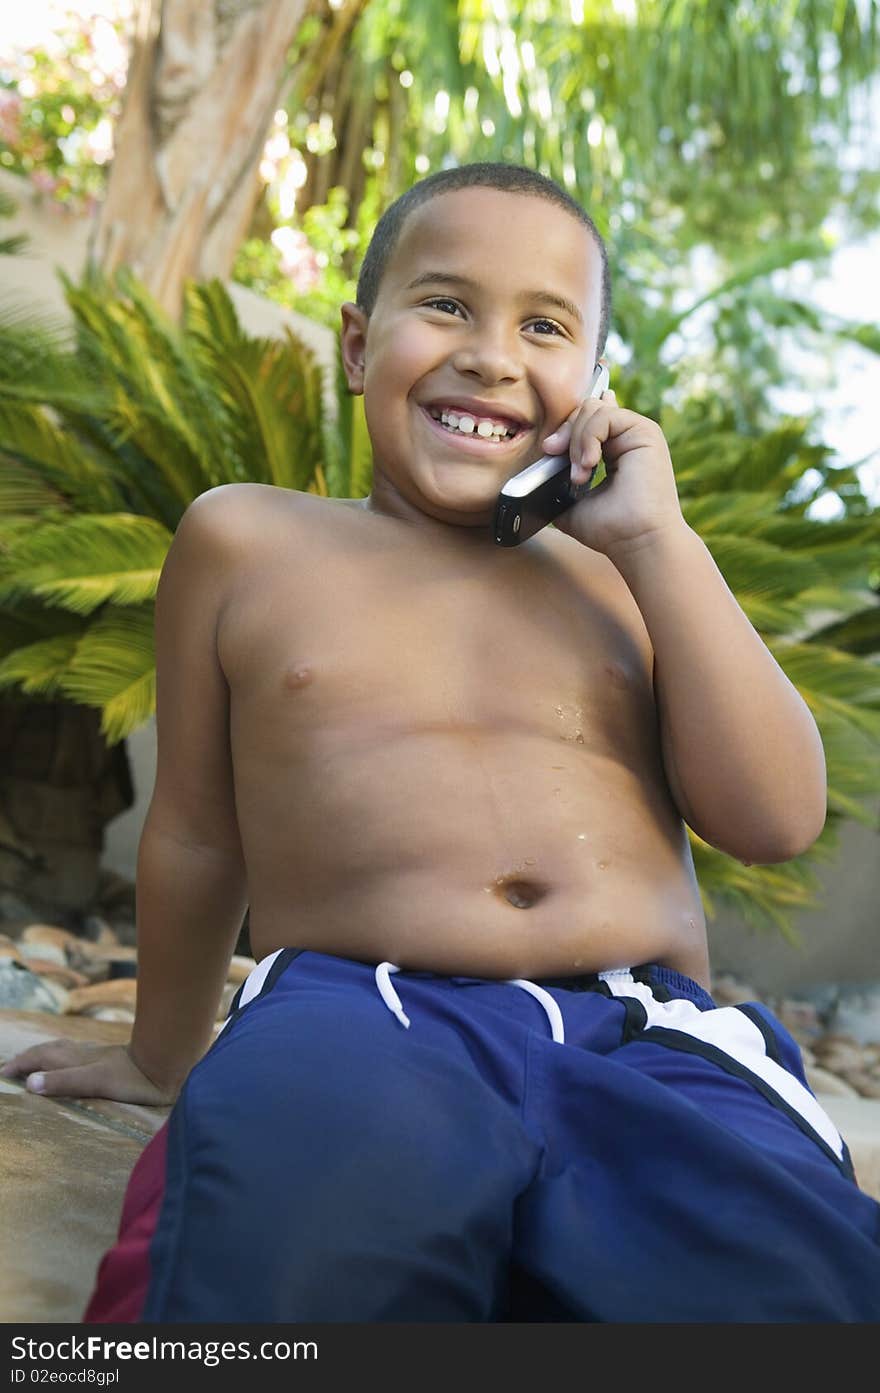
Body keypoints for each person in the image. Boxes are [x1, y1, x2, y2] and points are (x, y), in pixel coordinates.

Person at [3, 162, 878, 1323]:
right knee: (268, 1266)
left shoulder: (625, 579)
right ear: (360, 346)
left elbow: (773, 818)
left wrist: (662, 543)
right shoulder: (251, 541)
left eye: (545, 325)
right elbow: (199, 833)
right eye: (447, 305)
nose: (491, 353)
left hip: (645, 1030)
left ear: (593, 386)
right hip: (358, 1012)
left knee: (787, 1285)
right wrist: (163, 1054)